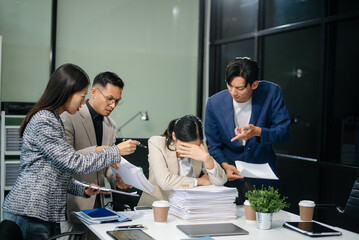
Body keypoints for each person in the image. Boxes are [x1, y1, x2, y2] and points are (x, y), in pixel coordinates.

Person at [2, 64, 139, 240]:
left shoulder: (53, 119)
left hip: (42, 213)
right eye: (82, 96)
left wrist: (83, 190)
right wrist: (115, 151)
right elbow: (73, 162)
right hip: (30, 210)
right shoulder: (45, 120)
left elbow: (56, 172)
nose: (83, 102)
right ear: (66, 92)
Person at [205, 57, 290, 203]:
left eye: (240, 88)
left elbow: (283, 133)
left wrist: (258, 132)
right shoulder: (214, 103)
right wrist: (225, 166)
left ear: (254, 84)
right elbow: (213, 145)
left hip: (263, 177)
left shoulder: (271, 92)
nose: (233, 92)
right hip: (230, 178)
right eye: (229, 86)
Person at [59, 71, 131, 239]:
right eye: (109, 99)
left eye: (117, 101)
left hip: (99, 204)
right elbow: (66, 159)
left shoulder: (111, 125)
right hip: (74, 201)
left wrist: (118, 178)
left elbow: (108, 164)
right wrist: (98, 149)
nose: (113, 105)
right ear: (93, 92)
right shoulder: (70, 116)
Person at [138, 115, 227, 206]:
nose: (189, 150)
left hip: (187, 207)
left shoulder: (201, 144)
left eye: (194, 147)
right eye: (184, 146)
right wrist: (199, 181)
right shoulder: (157, 143)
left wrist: (207, 159)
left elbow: (220, 180)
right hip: (157, 206)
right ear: (174, 136)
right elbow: (164, 182)